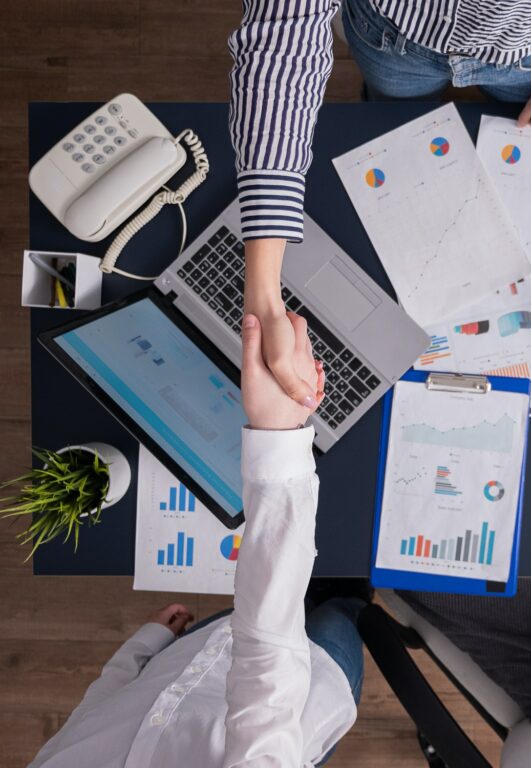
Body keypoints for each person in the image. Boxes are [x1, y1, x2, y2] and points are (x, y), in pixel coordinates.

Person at [229, 0, 531, 406]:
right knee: (385, 115)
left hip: (528, 51)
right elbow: (282, 40)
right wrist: (262, 297)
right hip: (394, 39)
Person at [28, 313, 364, 767]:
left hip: (197, 653)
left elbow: (89, 721)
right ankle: (352, 599)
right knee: (343, 608)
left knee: (291, 590)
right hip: (312, 684)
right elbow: (269, 667)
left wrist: (142, 648)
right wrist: (278, 437)